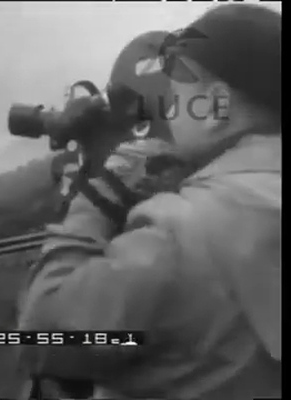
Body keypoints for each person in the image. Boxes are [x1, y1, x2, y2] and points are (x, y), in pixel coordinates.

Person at [15, 3, 281, 400]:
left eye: (175, 99)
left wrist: (99, 196)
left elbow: (43, 337)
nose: (169, 114)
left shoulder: (179, 237)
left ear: (215, 107)